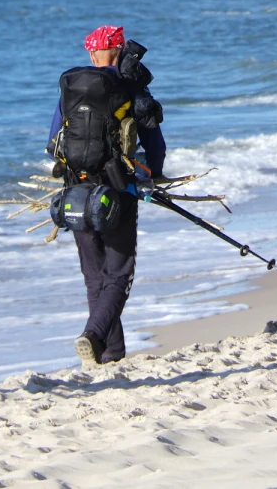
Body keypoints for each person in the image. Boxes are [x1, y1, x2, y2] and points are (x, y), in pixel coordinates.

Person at [47, 25, 165, 366]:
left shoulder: (73, 87)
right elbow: (155, 144)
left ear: (91, 53)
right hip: (117, 191)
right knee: (119, 273)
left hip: (75, 188)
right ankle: (94, 335)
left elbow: (54, 140)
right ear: (120, 51)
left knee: (93, 275)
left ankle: (111, 353)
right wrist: (153, 175)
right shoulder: (130, 87)